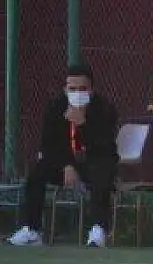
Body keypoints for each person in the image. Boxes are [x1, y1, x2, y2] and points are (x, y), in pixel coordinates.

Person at [7, 64, 119, 248]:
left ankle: (99, 229)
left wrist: (83, 124)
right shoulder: (55, 107)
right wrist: (67, 165)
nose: (77, 93)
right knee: (37, 174)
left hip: (94, 162)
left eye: (82, 89)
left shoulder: (105, 109)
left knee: (102, 173)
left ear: (92, 90)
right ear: (65, 89)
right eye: (72, 89)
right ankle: (32, 230)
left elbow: (104, 146)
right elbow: (49, 144)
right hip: (63, 164)